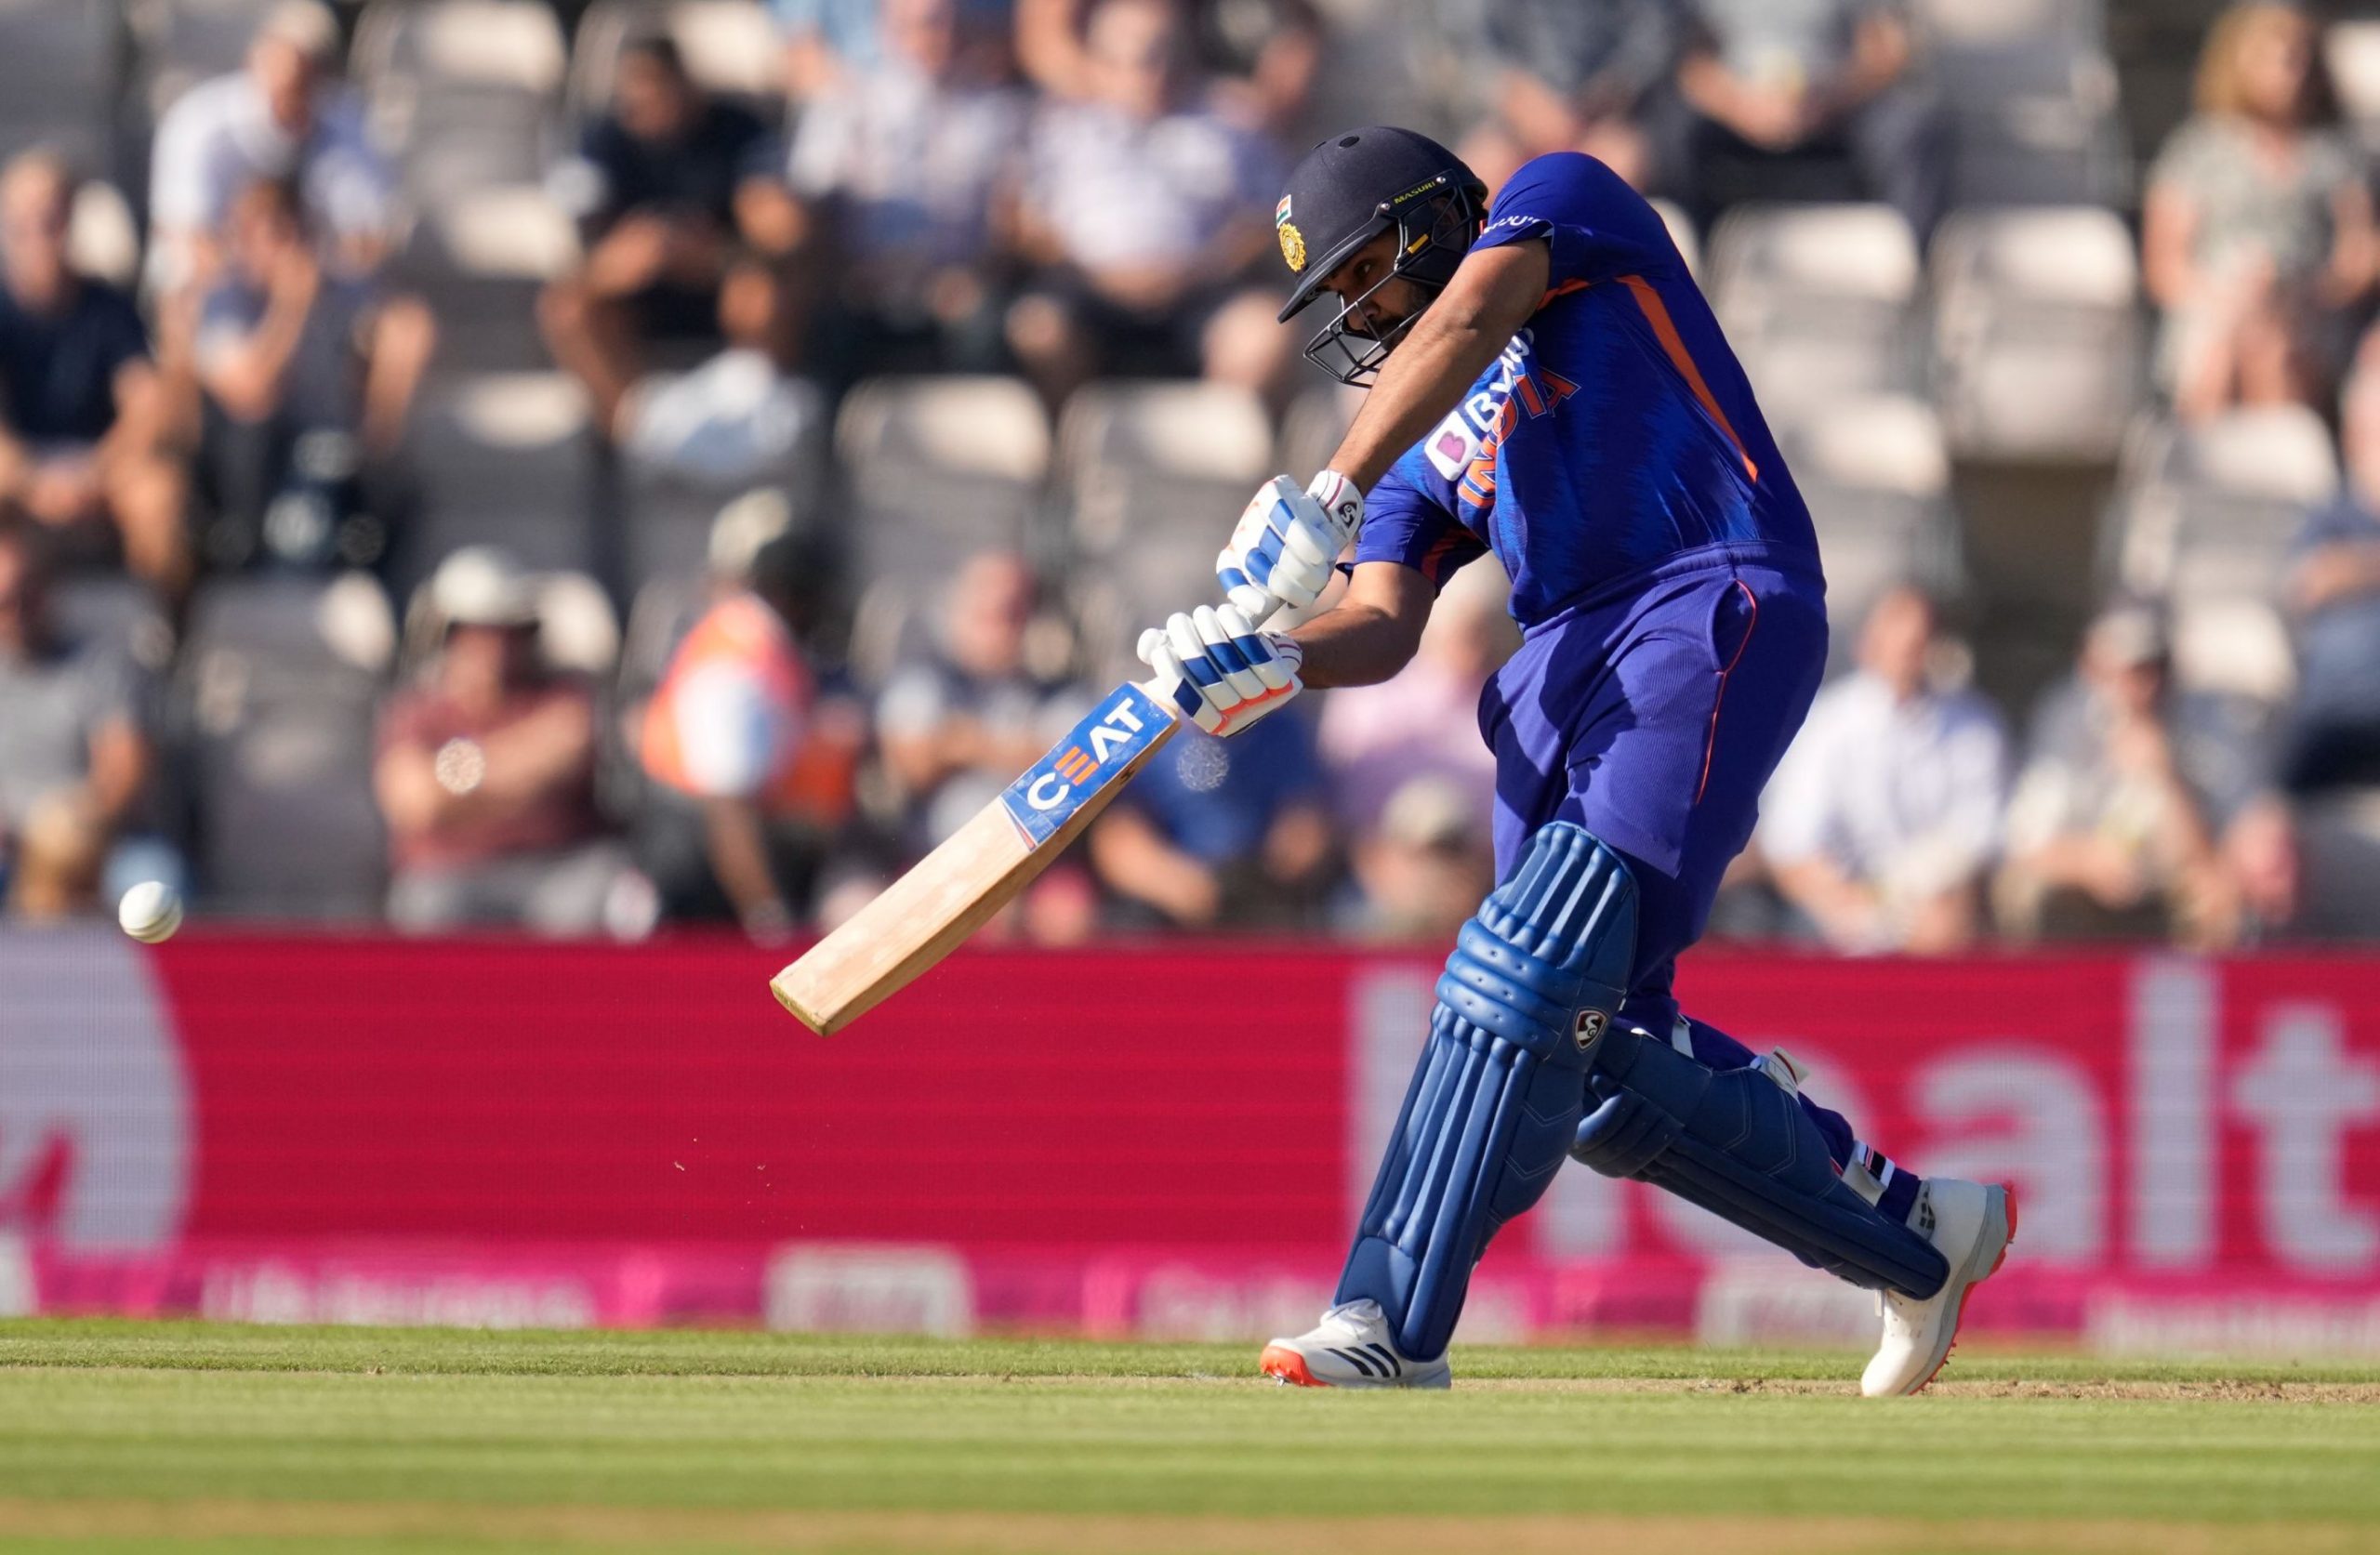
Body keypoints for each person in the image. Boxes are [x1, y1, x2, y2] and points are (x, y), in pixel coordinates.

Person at [1130, 128, 2014, 1395]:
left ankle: (1386, 1321)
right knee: (1598, 1063)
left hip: (1702, 596)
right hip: (1556, 672)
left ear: (1436, 216)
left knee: (1524, 968)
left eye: (1368, 270)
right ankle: (1915, 1236)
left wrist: (1328, 485)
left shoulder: (1562, 200)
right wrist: (1270, 659)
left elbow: (1472, 313)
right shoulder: (1418, 447)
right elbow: (1379, 622)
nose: (1362, 312)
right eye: (1339, 297)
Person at [1005, 0, 1289, 407]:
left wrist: (1203, 268)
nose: (1155, 72)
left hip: (1201, 288)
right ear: (1097, 60)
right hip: (1088, 290)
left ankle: (1213, 443)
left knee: (1264, 333)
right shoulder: (1058, 126)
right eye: (1138, 59)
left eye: (1167, 55)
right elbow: (1024, 224)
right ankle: (1070, 443)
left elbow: (1267, 219)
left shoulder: (1231, 121)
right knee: (1038, 328)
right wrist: (1101, 275)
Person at [541, 34, 795, 439]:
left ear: (685, 82)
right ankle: (639, 441)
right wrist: (637, 253)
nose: (649, 98)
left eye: (659, 84)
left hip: (720, 286)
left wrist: (712, 254)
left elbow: (778, 234)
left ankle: (752, 433)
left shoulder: (738, 130)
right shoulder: (600, 143)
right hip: (637, 297)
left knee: (761, 294)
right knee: (567, 309)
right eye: (636, 87)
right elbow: (581, 245)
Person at [633, 493, 861, 938]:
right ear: (790, 595)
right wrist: (768, 918)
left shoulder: (764, 646)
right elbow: (728, 807)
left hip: (746, 844)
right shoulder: (736, 666)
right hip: (699, 866)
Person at [2143, 3, 2375, 424]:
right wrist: (2229, 296)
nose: (2289, 72)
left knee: (2275, 349)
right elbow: (2164, 264)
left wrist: (2305, 295)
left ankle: (2279, 462)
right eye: (2273, 58)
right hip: (2214, 306)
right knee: (2229, 348)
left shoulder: (2339, 155)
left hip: (2308, 311)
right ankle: (2202, 456)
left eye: (2297, 58)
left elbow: (2359, 257)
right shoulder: (2197, 151)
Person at [374, 548, 624, 934]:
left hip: (558, 867)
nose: (494, 647)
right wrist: (520, 769)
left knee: (598, 899)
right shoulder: (417, 711)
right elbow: (416, 804)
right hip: (450, 874)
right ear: (445, 636)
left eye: (509, 631)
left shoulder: (565, 696)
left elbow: (568, 745)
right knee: (427, 906)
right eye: (473, 631)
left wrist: (455, 782)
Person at [192, 178, 435, 569]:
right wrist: (291, 308)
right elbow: (251, 392)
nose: (287, 247)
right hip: (259, 472)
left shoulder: (337, 288)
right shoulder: (223, 302)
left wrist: (379, 409)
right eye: (272, 233)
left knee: (393, 494)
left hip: (335, 453)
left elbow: (409, 326)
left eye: (293, 230)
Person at [785, 0, 1027, 389]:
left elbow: (1013, 220)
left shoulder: (998, 111)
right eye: (921, 25)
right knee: (822, 328)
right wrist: (844, 271)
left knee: (989, 326)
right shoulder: (845, 103)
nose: (937, 38)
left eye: (946, 24)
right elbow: (809, 206)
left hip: (959, 286)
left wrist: (979, 274)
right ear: (887, 31)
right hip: (860, 284)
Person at [1761, 585, 2006, 955]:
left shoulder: (1976, 726)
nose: (1909, 656)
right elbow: (1792, 845)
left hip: (1944, 915)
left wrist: (1927, 902)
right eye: (1900, 643)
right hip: (1835, 919)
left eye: (1919, 644)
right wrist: (1856, 907)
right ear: (1867, 644)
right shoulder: (1826, 725)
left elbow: (1982, 835)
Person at [0, 152, 190, 598]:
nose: (39, 233)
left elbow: (146, 406)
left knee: (160, 495)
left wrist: (94, 475)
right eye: (25, 222)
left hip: (101, 464)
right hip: (21, 469)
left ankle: (164, 626)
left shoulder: (109, 308)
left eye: (51, 218)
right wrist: (33, 481)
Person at [1997, 603, 2237, 946]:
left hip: (2157, 884)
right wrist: (2089, 862)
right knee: (2023, 890)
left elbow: (2199, 857)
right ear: (2091, 669)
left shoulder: (2197, 727)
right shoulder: (2064, 722)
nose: (2142, 685)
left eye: (2153, 670)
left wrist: (2164, 777)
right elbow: (2026, 843)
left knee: (2216, 895)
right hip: (2079, 880)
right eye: (2127, 671)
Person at [147, 0, 393, 292]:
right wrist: (262, 259)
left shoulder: (347, 122)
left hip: (318, 289)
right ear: (255, 61)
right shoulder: (198, 125)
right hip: (216, 289)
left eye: (310, 74)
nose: (294, 87)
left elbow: (371, 241)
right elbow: (184, 240)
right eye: (285, 70)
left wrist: (310, 260)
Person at [1674, 0, 1947, 240]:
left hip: (1839, 110)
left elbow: (1886, 49)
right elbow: (1691, 62)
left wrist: (1828, 101)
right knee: (1675, 130)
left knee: (1910, 125)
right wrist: (1743, 108)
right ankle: (1684, 261)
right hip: (1737, 115)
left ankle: (1914, 260)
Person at [876, 550, 1081, 847]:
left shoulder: (1055, 694)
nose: (995, 621)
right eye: (984, 609)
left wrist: (964, 742)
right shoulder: (923, 680)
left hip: (1038, 852)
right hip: (934, 853)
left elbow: (1076, 767)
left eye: (1009, 612)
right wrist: (1014, 750)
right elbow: (912, 765)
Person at [0, 527, 154, 919]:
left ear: (47, 590)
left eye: (25, 594)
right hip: (8, 848)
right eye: (3, 602)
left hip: (95, 841)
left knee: (153, 883)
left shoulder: (99, 665)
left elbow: (123, 767)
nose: (15, 612)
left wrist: (76, 827)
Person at [1087, 708, 1338, 929]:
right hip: (1169, 897)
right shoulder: (1147, 730)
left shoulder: (1280, 730)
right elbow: (1118, 837)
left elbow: (1304, 820)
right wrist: (1176, 884)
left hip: (1259, 886)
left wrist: (1278, 865)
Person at [2276, 369, 2380, 793]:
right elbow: (2312, 579)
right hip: (2342, 716)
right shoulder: (2331, 515)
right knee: (2275, 808)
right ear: (2354, 437)